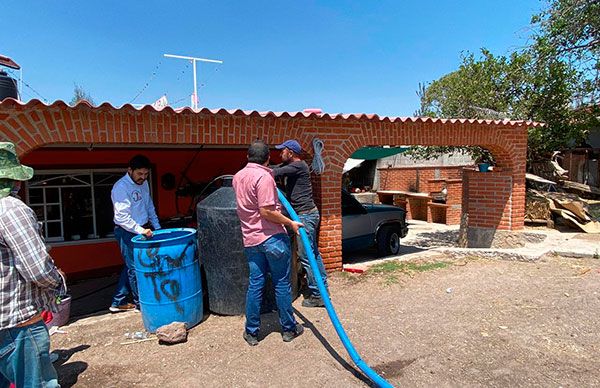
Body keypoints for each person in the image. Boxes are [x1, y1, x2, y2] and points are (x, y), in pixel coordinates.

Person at [0, 141, 63, 387]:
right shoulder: (10, 209)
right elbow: (37, 269)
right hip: (18, 323)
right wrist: (58, 279)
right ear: (14, 179)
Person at [232, 140, 305, 346]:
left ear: (247, 157)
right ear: (267, 159)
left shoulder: (238, 177)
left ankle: (252, 332)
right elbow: (267, 212)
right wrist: (290, 222)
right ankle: (289, 329)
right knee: (282, 283)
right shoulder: (264, 177)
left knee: (256, 284)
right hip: (271, 239)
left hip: (251, 239)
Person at [272, 139, 328, 308]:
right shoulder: (294, 167)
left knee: (306, 256)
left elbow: (274, 172)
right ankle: (322, 288)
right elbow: (277, 169)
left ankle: (318, 295)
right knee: (313, 253)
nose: (280, 153)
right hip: (307, 215)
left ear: (291, 152)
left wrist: (259, 169)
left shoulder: (299, 166)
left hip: (305, 217)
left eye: (283, 151)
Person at [109, 155, 161, 312]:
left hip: (143, 228)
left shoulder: (144, 184)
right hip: (127, 231)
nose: (143, 178)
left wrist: (157, 227)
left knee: (133, 265)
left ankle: (118, 301)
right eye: (140, 174)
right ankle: (141, 304)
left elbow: (149, 205)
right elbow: (121, 217)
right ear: (130, 170)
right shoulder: (121, 187)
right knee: (135, 268)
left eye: (146, 174)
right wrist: (140, 230)